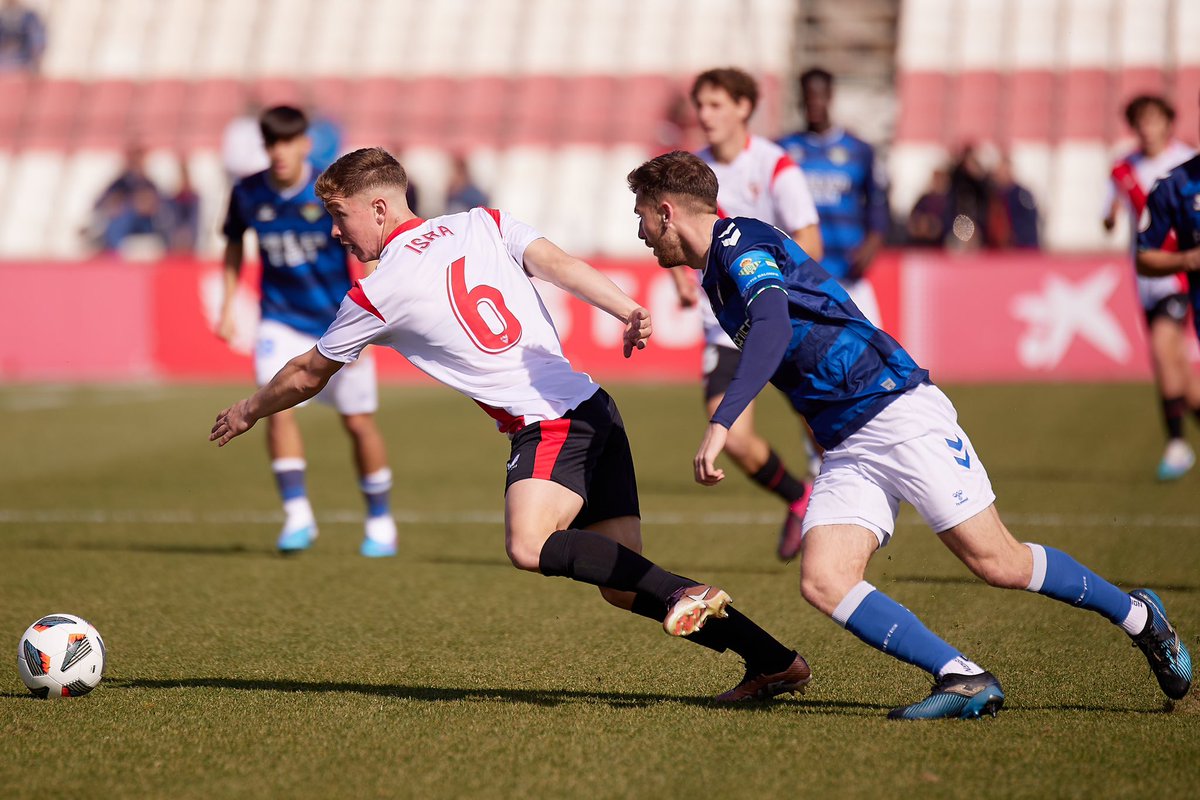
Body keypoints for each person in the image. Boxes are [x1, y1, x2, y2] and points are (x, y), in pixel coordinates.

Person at [210, 146, 812, 700]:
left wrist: (247, 409)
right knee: (628, 582)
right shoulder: (482, 222)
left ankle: (689, 595)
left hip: (550, 425)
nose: (335, 231)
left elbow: (308, 373)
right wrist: (626, 307)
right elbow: (558, 264)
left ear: (379, 206)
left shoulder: (378, 291)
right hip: (595, 408)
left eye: (340, 216)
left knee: (529, 544)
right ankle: (772, 660)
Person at [628, 150, 1192, 719]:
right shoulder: (713, 276)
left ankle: (1141, 616)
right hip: (848, 442)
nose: (642, 232)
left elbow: (773, 326)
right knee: (825, 580)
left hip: (894, 410)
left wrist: (722, 422)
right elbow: (788, 352)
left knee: (1000, 563)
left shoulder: (738, 244)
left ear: (668, 211)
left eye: (643, 216)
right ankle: (963, 677)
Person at [217, 107, 397, 557]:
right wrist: (226, 305)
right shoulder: (246, 192)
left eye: (288, 141)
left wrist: (371, 309)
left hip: (338, 320)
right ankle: (297, 515)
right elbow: (235, 242)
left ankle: (380, 520)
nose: (280, 151)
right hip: (280, 317)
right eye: (272, 142)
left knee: (357, 422)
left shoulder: (328, 192)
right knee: (275, 407)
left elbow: (365, 246)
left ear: (304, 143)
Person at [674, 67, 823, 562]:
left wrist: (764, 282)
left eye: (716, 104)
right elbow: (679, 244)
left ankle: (843, 510)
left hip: (782, 318)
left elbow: (808, 241)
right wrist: (679, 275)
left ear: (743, 107)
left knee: (825, 423)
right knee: (733, 438)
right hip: (722, 329)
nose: (705, 115)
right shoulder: (691, 173)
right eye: (701, 105)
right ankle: (798, 498)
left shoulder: (775, 165)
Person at [1105, 95, 1200, 481]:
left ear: (1168, 122)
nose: (1148, 128)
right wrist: (1110, 218)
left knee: (1163, 349)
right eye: (1141, 121)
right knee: (1181, 376)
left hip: (1177, 276)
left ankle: (1176, 444)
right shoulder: (1124, 171)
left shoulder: (1185, 162)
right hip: (1146, 274)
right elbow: (1109, 215)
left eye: (1155, 119)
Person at [778, 67, 889, 324]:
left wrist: (872, 244)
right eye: (808, 96)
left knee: (869, 354)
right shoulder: (783, 150)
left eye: (820, 96)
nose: (814, 103)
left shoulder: (860, 150)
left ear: (830, 97)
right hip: (800, 276)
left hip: (848, 273)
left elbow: (878, 204)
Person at [987, 154, 1040, 249]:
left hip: (1022, 248)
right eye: (999, 172)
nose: (1001, 176)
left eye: (1004, 172)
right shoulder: (994, 195)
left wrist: (1015, 237)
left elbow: (1031, 220)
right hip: (999, 249)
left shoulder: (1022, 194)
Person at [0, 0, 45, 73]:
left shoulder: (29, 17)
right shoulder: (1, 18)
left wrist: (36, 59)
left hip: (24, 62)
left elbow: (37, 40)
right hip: (3, 61)